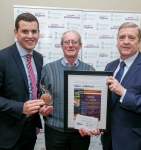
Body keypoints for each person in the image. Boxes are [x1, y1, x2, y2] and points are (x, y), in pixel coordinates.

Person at [0, 13, 52, 150]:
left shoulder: (39, 58)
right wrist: (21, 108)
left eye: (34, 31)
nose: (30, 36)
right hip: (8, 133)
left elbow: (33, 90)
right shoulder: (2, 58)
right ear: (15, 33)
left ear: (39, 33)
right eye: (25, 31)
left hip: (31, 129)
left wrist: (41, 107)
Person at [41, 30, 100, 150]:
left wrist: (95, 123)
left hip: (81, 131)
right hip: (54, 130)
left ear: (80, 46)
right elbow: (42, 98)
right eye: (67, 42)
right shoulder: (48, 69)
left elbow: (93, 103)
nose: (71, 45)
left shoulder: (90, 71)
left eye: (74, 42)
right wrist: (42, 108)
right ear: (61, 45)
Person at [101, 22, 141, 150]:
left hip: (135, 142)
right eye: (122, 37)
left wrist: (123, 92)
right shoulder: (110, 67)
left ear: (139, 43)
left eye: (131, 38)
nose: (126, 41)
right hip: (109, 140)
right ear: (117, 41)